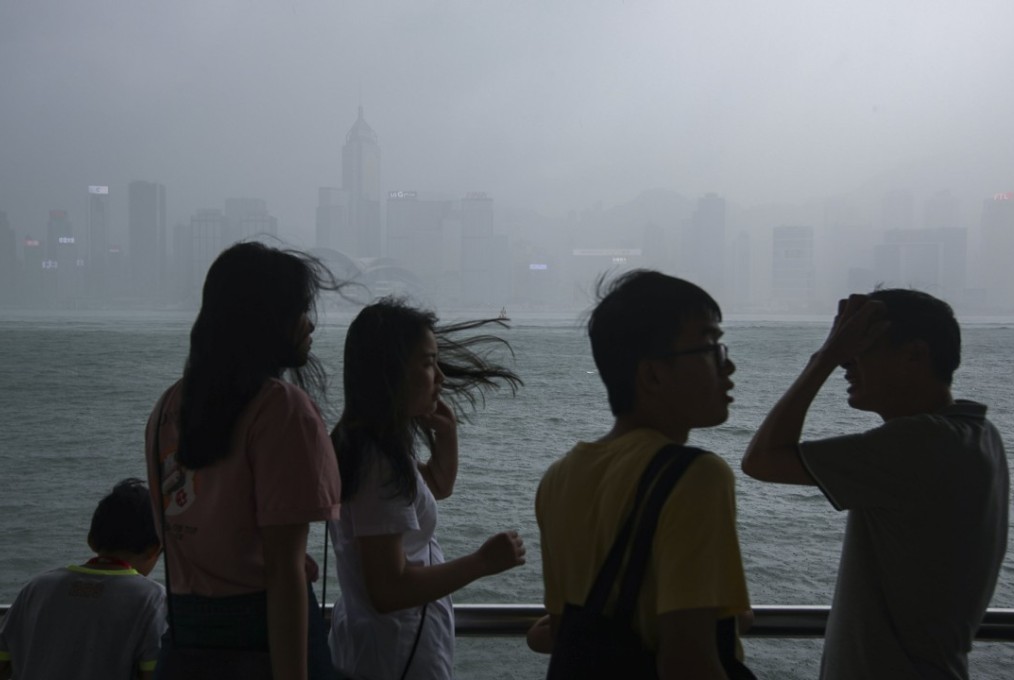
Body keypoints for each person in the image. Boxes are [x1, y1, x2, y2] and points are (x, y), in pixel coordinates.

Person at [741, 289, 1009, 679]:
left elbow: (761, 460)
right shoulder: (980, 433)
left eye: (859, 346)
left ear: (914, 354)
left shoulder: (925, 442)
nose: (847, 363)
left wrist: (823, 358)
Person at [535, 270, 751, 678]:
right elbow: (687, 662)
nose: (729, 365)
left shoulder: (559, 477)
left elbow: (565, 630)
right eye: (709, 347)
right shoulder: (696, 475)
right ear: (652, 374)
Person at [144, 241, 342, 679]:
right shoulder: (281, 409)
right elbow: (284, 571)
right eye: (300, 310)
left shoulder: (167, 408)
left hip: (186, 644)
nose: (310, 325)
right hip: (266, 643)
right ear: (269, 320)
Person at [328, 298, 526, 680]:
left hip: (383, 650)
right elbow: (388, 589)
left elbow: (434, 486)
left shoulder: (366, 444)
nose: (441, 377)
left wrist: (446, 436)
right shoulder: (377, 463)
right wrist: (482, 562)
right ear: (390, 371)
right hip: (397, 655)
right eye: (427, 362)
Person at [0, 478, 165, 680]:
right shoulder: (152, 599)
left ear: (91, 539)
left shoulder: (37, 587)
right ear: (153, 549)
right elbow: (152, 673)